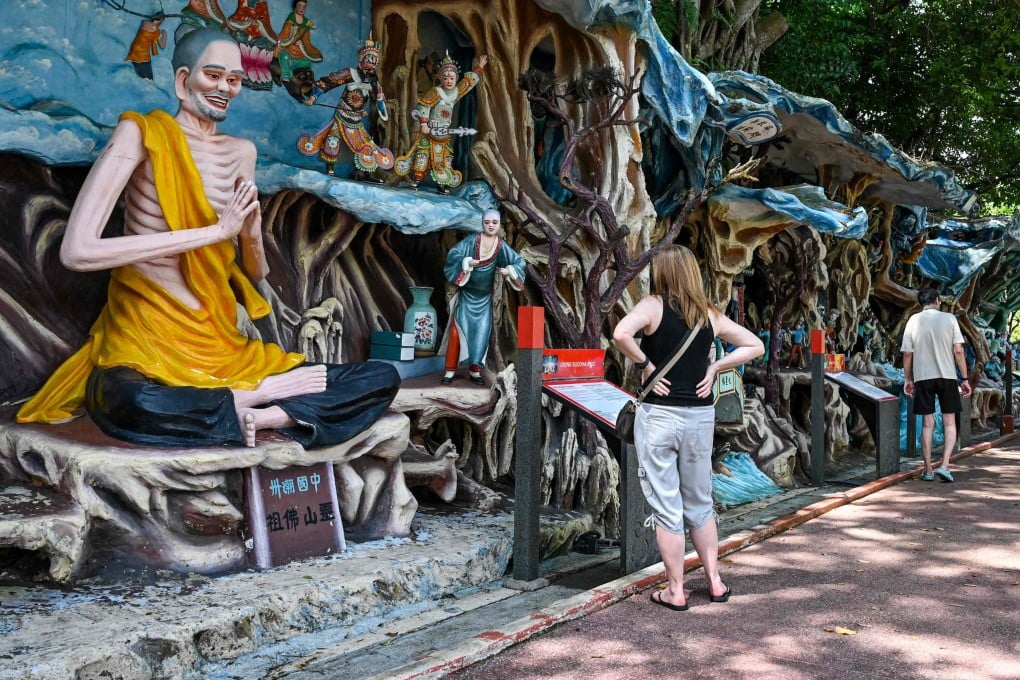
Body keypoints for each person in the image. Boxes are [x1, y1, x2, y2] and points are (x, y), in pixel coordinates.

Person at [16, 29, 399, 449]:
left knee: (379, 378)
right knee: (128, 401)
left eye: (233, 80)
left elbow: (255, 271)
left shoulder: (242, 153)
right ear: (183, 81)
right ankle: (248, 398)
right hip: (144, 342)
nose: (224, 89)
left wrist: (249, 228)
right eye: (213, 76)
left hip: (220, 345)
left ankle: (270, 412)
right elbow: (77, 251)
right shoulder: (141, 135)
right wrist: (212, 233)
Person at [612, 245, 764, 610]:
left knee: (667, 506)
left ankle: (676, 590)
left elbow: (620, 335)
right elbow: (755, 345)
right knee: (699, 503)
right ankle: (714, 581)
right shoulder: (708, 314)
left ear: (662, 272)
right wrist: (716, 368)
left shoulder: (652, 305)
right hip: (699, 417)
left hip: (660, 416)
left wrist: (646, 364)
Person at [440, 210, 525, 385]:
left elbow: (519, 261)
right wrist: (466, 262)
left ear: (499, 223)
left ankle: (474, 370)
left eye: (495, 222)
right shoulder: (472, 241)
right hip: (466, 298)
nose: (491, 225)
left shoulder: (500, 246)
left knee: (481, 335)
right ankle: (449, 371)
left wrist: (509, 270)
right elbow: (453, 254)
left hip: (484, 300)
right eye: (487, 222)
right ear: (482, 223)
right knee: (457, 334)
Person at [298, 35, 394, 181]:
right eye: (369, 62)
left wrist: (382, 110)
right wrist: (313, 97)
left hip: (357, 120)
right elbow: (328, 83)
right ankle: (330, 169)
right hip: (342, 116)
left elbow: (379, 100)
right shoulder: (350, 73)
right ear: (361, 62)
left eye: (375, 64)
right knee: (333, 140)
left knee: (366, 145)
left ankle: (363, 172)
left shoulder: (373, 82)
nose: (372, 67)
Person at [900, 288, 972, 482]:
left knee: (927, 423)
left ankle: (928, 469)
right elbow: (958, 350)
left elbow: (907, 353)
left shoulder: (914, 320)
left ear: (921, 303)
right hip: (948, 377)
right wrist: (964, 379)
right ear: (938, 301)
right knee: (949, 422)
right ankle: (945, 465)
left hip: (923, 377)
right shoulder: (949, 319)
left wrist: (908, 379)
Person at [394, 52, 487, 194]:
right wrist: (424, 124)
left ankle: (441, 184)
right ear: (439, 77)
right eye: (446, 78)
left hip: (443, 135)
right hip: (430, 133)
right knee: (422, 156)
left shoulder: (455, 93)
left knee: (444, 160)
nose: (449, 81)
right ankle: (416, 180)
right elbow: (423, 106)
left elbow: (467, 84)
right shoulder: (436, 92)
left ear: (456, 79)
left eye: (452, 78)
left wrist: (479, 68)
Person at [275, 0, 323, 97]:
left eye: (304, 6)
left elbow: (307, 42)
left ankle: (309, 85)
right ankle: (286, 73)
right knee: (283, 56)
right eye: (299, 5)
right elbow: (284, 36)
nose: (302, 8)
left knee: (307, 62)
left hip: (301, 55)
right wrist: (290, 38)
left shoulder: (306, 25)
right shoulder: (290, 21)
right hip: (289, 53)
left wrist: (302, 44)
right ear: (295, 7)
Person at [124, 12, 168, 80]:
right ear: (161, 21)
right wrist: (164, 35)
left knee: (138, 74)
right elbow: (162, 46)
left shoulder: (144, 22)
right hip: (143, 56)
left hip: (133, 52)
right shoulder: (157, 32)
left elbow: (150, 24)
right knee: (148, 79)